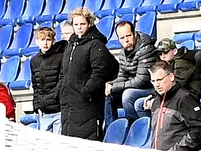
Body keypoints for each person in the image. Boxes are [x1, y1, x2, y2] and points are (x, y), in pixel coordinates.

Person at [57, 8, 116, 140]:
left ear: (89, 24)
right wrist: (60, 91)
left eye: (82, 24)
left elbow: (100, 72)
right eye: (76, 24)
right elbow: (63, 73)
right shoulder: (70, 46)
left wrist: (86, 91)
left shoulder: (95, 45)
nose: (79, 27)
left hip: (88, 104)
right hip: (68, 105)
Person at [141, 58, 201, 151]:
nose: (156, 85)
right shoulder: (156, 101)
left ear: (171, 76)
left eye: (159, 80)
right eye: (153, 81)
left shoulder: (185, 98)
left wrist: (177, 150)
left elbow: (200, 128)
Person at [103, 19, 158, 124]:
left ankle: (133, 126)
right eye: (122, 38)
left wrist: (115, 87)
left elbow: (141, 80)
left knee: (128, 94)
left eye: (128, 36)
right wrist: (110, 85)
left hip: (151, 88)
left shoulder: (146, 49)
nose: (126, 40)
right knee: (107, 94)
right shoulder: (123, 53)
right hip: (136, 87)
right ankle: (111, 129)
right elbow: (122, 76)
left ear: (135, 34)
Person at [29, 24, 65, 132]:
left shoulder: (60, 57)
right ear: (37, 41)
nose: (45, 43)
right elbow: (35, 85)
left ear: (53, 41)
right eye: (42, 39)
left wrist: (56, 97)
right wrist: (36, 106)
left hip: (58, 109)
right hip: (43, 111)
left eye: (48, 39)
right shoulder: (34, 60)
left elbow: (61, 80)